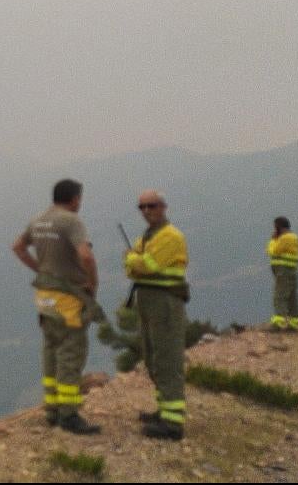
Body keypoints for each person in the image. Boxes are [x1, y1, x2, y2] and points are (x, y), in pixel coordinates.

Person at [12, 178, 102, 435]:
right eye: (79, 199)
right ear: (74, 199)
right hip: (68, 301)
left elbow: (17, 247)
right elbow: (85, 255)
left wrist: (40, 269)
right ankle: (69, 415)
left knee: (50, 352)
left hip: (45, 300)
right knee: (70, 356)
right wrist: (92, 283)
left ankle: (51, 411)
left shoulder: (38, 220)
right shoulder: (71, 221)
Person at [124, 189, 189, 441]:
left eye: (151, 206)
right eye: (141, 207)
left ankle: (173, 424)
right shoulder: (148, 236)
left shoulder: (170, 236)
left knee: (167, 360)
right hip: (149, 301)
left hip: (165, 303)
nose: (146, 211)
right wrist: (134, 261)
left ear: (163, 206)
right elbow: (132, 268)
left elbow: (144, 266)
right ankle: (164, 411)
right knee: (153, 358)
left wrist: (133, 259)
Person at [268, 217, 298, 332]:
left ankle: (278, 323)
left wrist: (273, 240)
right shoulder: (295, 238)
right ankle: (294, 322)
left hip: (283, 272)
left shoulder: (284, 238)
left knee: (280, 297)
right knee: (292, 297)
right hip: (292, 270)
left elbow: (274, 251)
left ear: (279, 226)